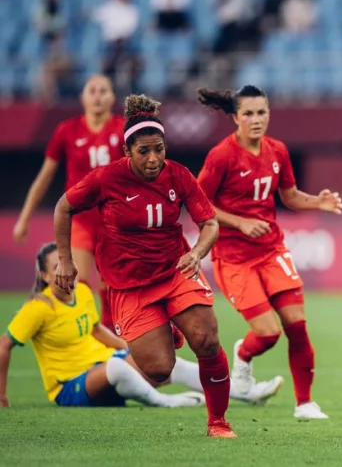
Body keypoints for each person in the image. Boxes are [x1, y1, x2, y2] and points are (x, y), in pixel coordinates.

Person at [52, 94, 236, 437]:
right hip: (129, 286)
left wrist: (196, 253)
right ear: (127, 152)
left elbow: (210, 223)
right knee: (158, 369)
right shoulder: (105, 179)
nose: (154, 159)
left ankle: (218, 422)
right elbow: (63, 207)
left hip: (175, 272)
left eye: (159, 149)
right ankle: (171, 328)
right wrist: (65, 260)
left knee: (207, 340)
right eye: (144, 152)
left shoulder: (178, 176)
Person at [196, 86, 342, 420]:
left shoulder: (277, 150)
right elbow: (198, 203)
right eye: (248, 113)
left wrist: (317, 202)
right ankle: (243, 357)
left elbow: (289, 195)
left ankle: (304, 404)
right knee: (268, 332)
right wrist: (240, 223)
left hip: (271, 250)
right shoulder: (222, 156)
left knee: (297, 325)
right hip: (233, 257)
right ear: (235, 118)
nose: (256, 119)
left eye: (261, 112)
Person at [0, 243, 283, 408]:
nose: (65, 274)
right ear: (44, 275)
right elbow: (5, 345)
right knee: (117, 367)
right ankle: (166, 402)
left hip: (104, 365)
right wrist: (1, 396)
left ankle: (247, 394)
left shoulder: (83, 293)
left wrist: (128, 348)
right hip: (70, 386)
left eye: (67, 265)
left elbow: (97, 330)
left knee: (171, 364)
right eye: (56, 269)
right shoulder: (38, 307)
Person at [14, 75, 125, 330]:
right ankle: (87, 341)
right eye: (92, 90)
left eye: (103, 91)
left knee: (111, 287)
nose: (97, 95)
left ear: (112, 98)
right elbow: (44, 177)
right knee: (79, 282)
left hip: (115, 220)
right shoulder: (67, 130)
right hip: (80, 220)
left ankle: (113, 347)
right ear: (82, 97)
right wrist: (24, 218)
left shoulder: (122, 129)